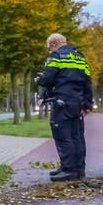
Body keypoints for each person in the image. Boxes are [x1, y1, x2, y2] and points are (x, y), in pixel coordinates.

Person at [35, 33, 93, 181]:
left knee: (62, 135)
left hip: (62, 101)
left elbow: (48, 79)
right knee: (76, 136)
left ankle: (68, 170)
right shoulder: (80, 57)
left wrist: (39, 80)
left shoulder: (56, 56)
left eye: (49, 48)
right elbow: (87, 81)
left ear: (53, 44)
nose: (49, 51)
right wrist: (87, 103)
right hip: (77, 102)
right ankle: (79, 169)